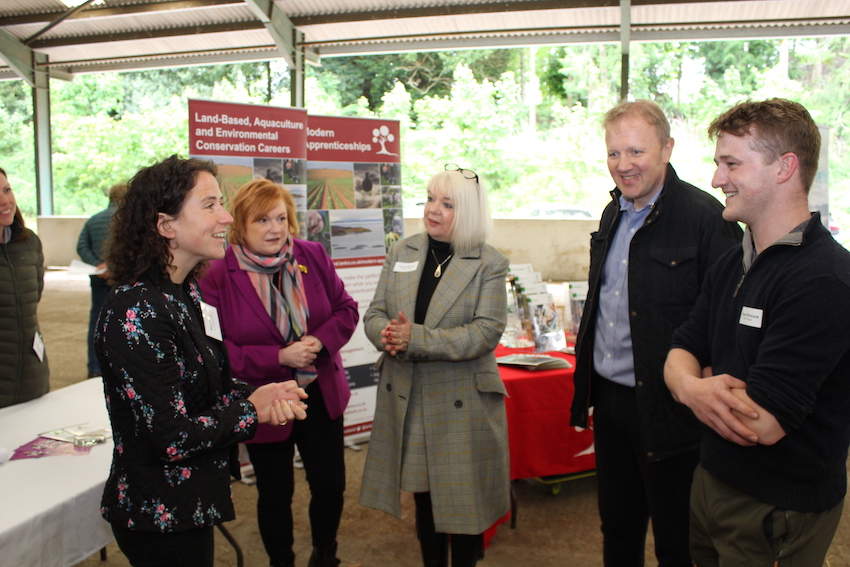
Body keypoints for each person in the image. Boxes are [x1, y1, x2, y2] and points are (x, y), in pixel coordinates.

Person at [95, 155, 308, 567]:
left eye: (221, 203)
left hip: (190, 500)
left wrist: (255, 392)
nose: (226, 217)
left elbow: (201, 383)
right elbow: (171, 435)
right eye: (209, 205)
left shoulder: (184, 291)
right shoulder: (136, 310)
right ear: (165, 225)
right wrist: (251, 411)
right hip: (160, 512)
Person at [664, 98, 850, 566]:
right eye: (717, 163)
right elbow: (682, 347)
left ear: (785, 167)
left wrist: (690, 383)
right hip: (712, 481)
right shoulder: (734, 261)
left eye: (731, 164)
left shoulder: (824, 279)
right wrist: (693, 386)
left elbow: (761, 424)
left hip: (776, 503)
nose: (715, 179)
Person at [570, 100, 743, 566]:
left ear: (667, 149)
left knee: (677, 537)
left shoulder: (707, 219)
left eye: (635, 151)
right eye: (613, 154)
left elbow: (724, 320)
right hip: (610, 402)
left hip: (672, 408)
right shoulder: (612, 215)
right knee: (618, 525)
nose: (623, 165)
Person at [199, 179, 359, 567]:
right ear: (240, 225)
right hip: (264, 397)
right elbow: (215, 353)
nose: (275, 229)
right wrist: (280, 356)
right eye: (262, 220)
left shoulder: (312, 254)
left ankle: (325, 552)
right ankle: (281, 561)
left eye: (281, 218)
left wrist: (319, 342)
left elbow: (346, 309)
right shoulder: (218, 273)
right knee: (275, 492)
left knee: (330, 483)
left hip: (320, 390)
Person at [360, 164, 510, 567]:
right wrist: (387, 335)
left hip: (462, 400)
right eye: (429, 199)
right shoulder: (403, 251)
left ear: (470, 212)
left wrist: (418, 338)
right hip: (411, 396)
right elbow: (375, 313)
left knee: (464, 507)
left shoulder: (489, 263)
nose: (434, 210)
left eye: (448, 204)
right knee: (424, 500)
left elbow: (486, 332)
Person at [0, 166, 50, 408]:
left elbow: (34, 297)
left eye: (7, 190)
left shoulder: (29, 243)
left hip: (32, 375)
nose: (4, 201)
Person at [76, 182, 127, 378]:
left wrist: (98, 265)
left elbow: (81, 246)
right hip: (121, 280)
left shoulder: (93, 220)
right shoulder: (126, 221)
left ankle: (94, 368)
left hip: (98, 279)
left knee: (96, 322)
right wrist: (113, 267)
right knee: (121, 323)